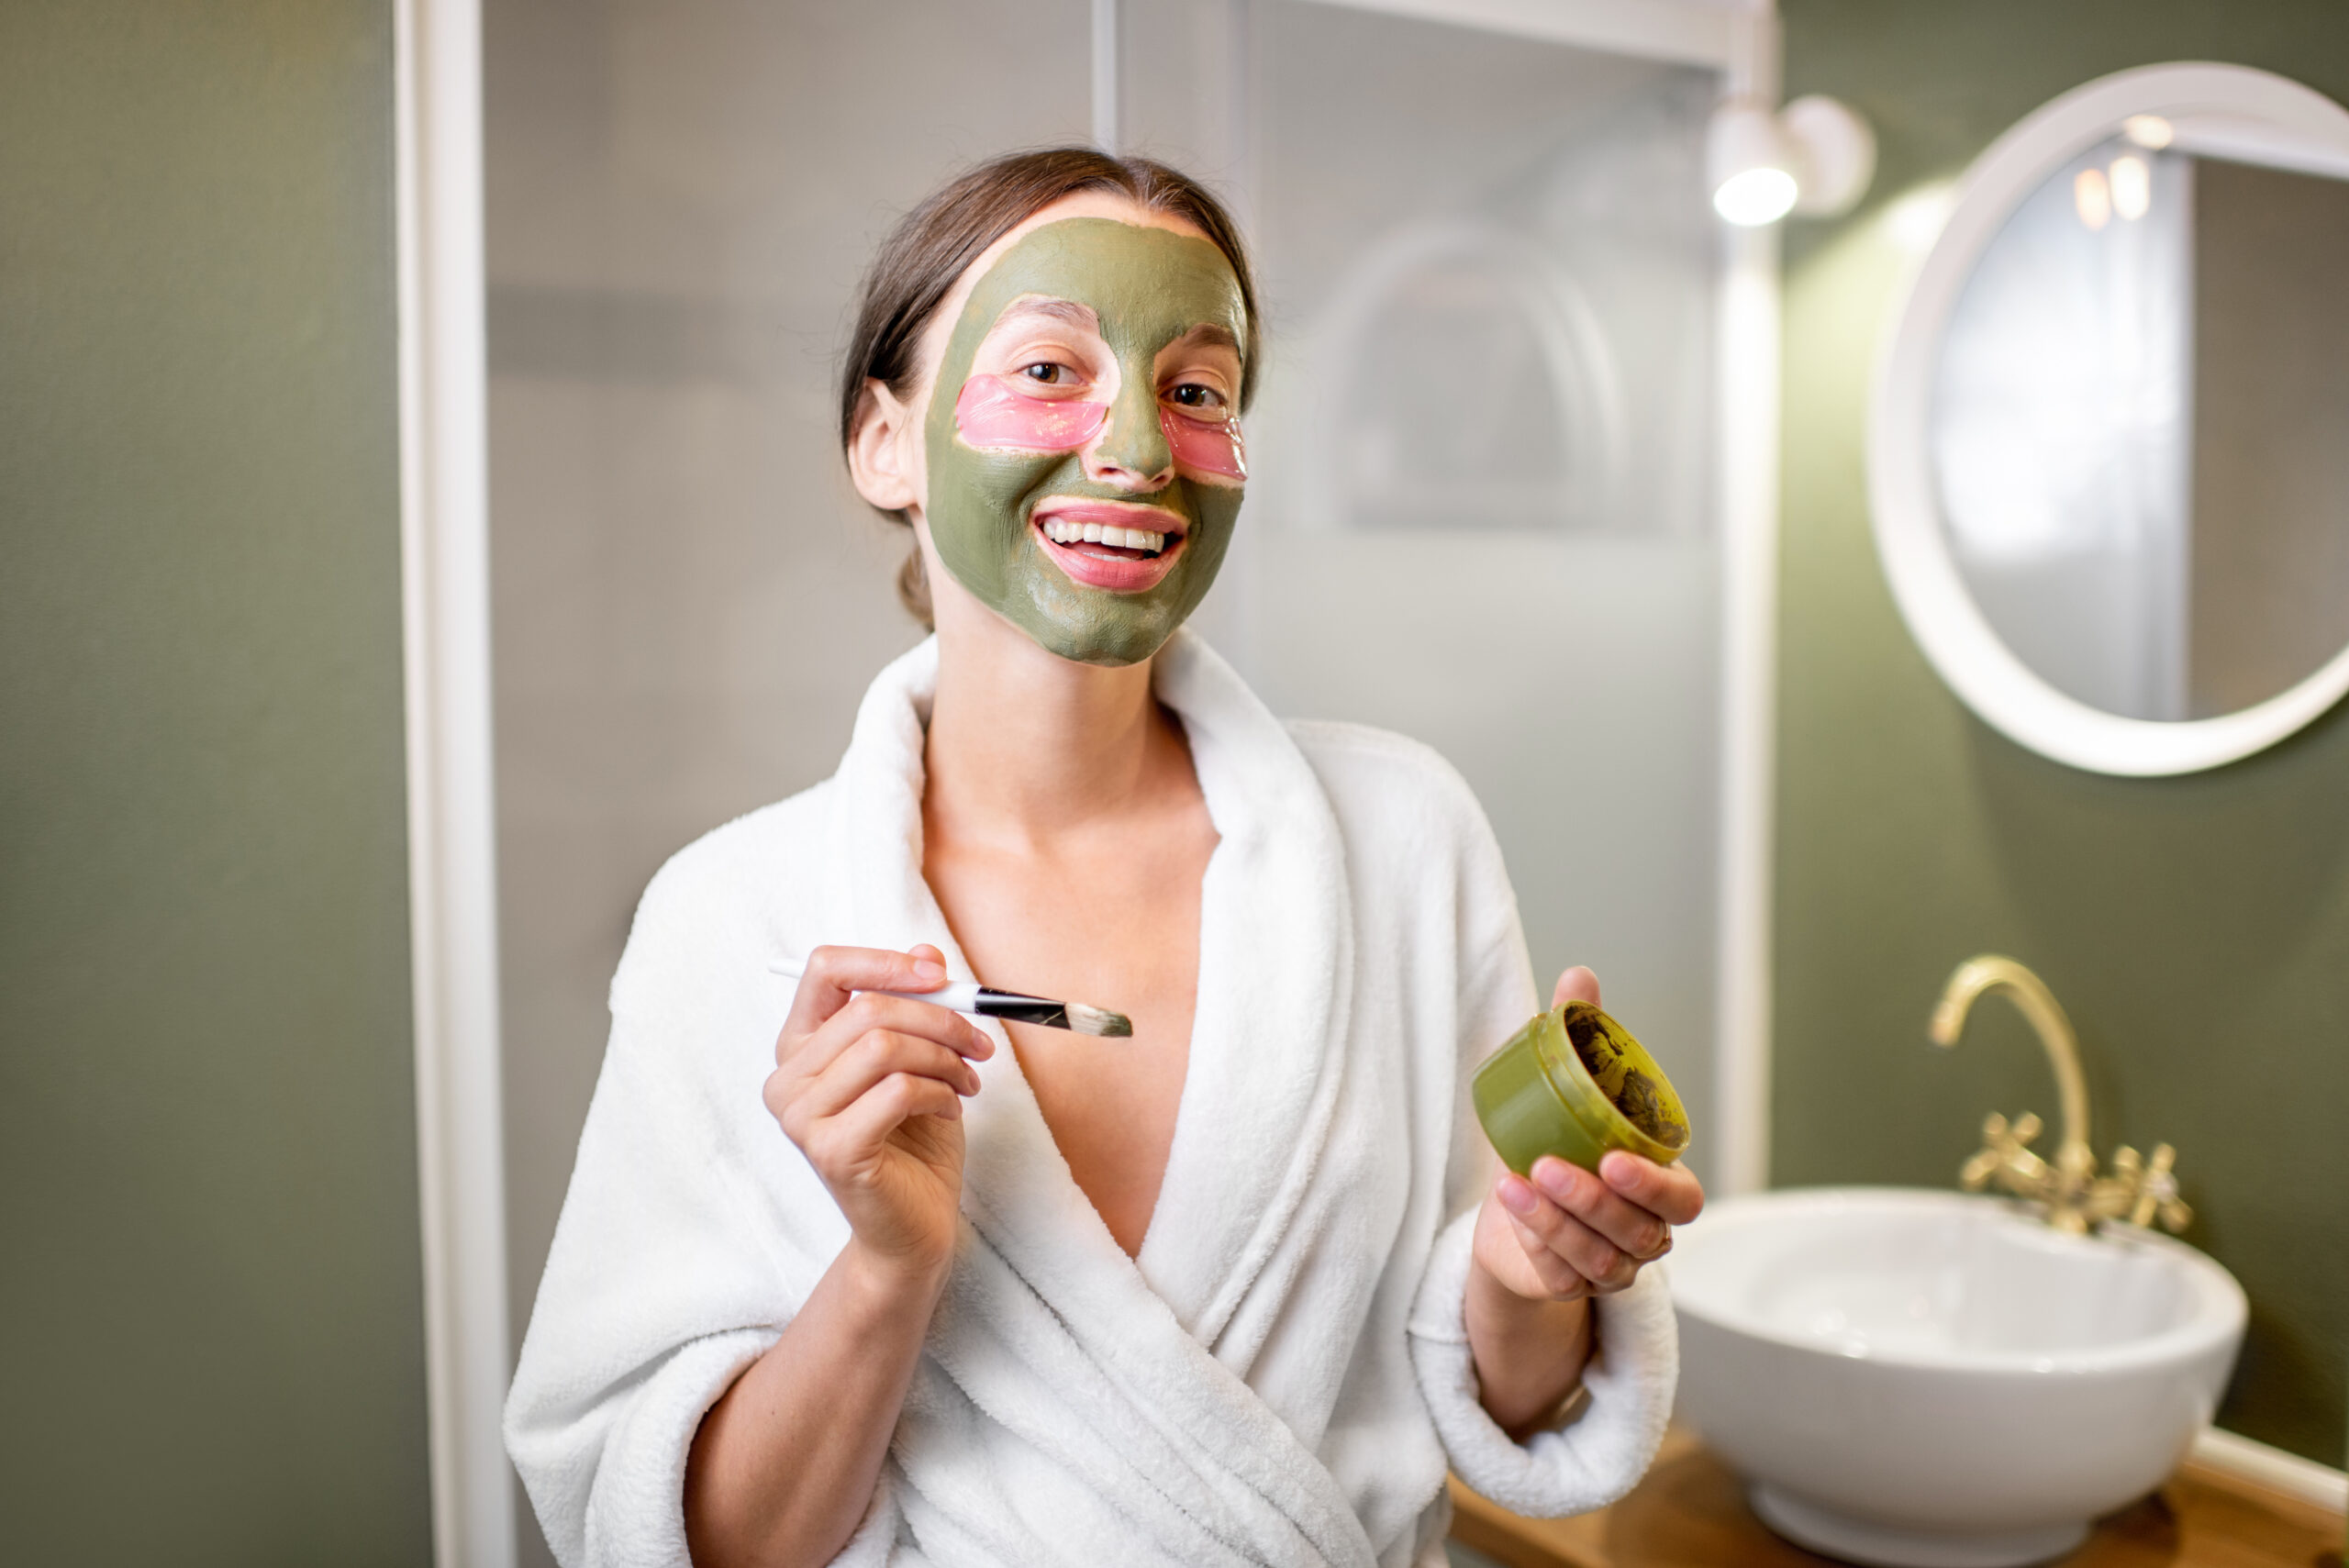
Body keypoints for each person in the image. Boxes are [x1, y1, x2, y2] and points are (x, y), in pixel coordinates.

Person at [506, 147, 1702, 1568]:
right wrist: (891, 1269)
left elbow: (1500, 1391)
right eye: (1051, 370)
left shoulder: (1403, 835)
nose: (1136, 446)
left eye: (1198, 389)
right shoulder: (730, 923)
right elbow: (678, 1544)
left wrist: (1526, 1276)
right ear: (883, 439)